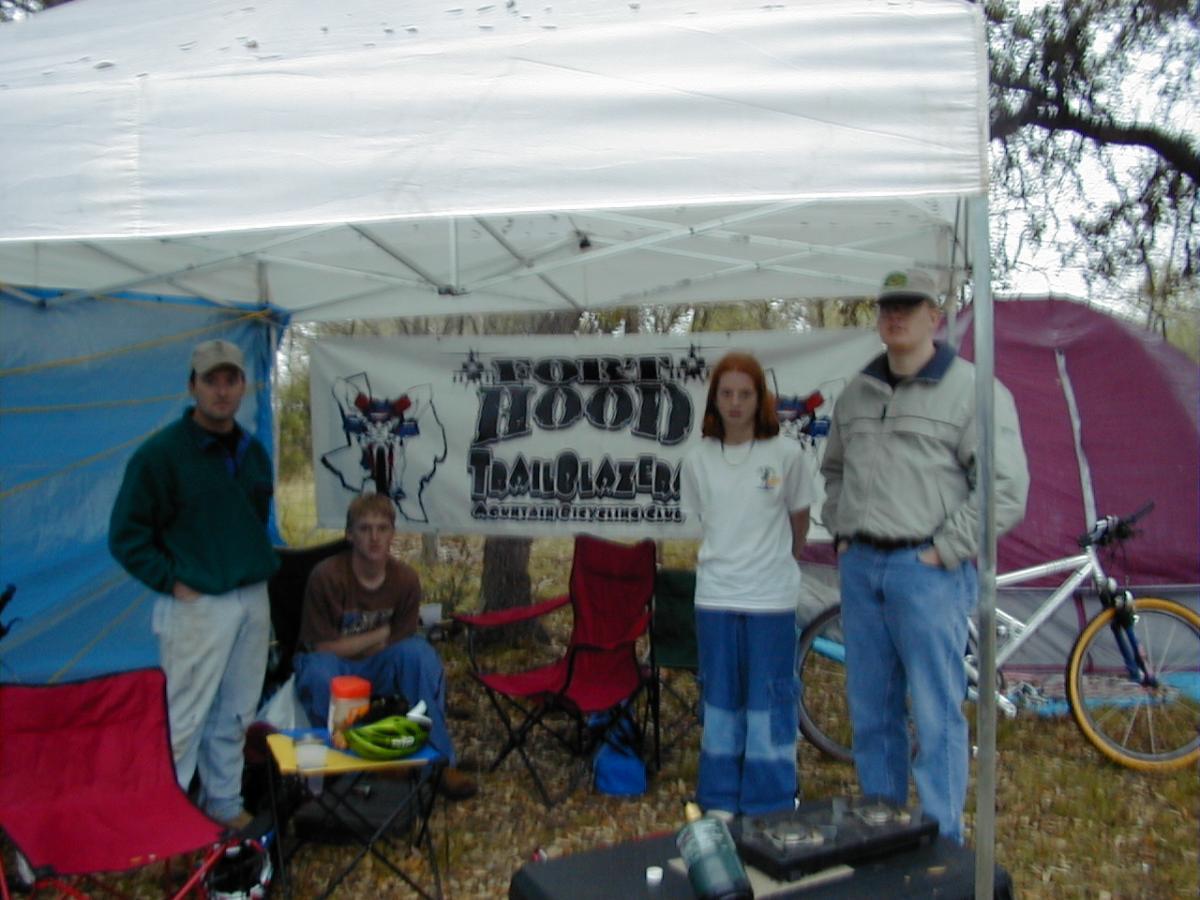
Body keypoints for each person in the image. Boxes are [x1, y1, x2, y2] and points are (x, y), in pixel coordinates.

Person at [821, 268, 1030, 844]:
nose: (896, 316)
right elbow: (834, 469)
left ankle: (942, 842)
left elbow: (1003, 489)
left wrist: (945, 551)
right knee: (871, 710)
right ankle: (882, 831)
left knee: (937, 712)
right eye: (887, 306)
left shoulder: (974, 390)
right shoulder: (857, 391)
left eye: (909, 307)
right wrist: (841, 530)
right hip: (862, 570)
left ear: (935, 317)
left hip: (927, 574)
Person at [109, 339, 279, 830]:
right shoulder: (160, 456)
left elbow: (254, 518)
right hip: (198, 601)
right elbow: (126, 535)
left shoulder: (252, 452)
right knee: (183, 718)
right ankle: (163, 822)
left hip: (250, 593)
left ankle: (222, 806)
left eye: (231, 380)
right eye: (211, 380)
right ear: (192, 386)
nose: (222, 391)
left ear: (243, 386)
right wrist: (169, 578)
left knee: (235, 712)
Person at [680, 351, 816, 817]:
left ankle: (771, 799)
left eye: (745, 394)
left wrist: (779, 563)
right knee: (720, 699)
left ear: (760, 399)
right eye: (727, 393)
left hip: (771, 601)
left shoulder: (786, 454)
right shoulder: (697, 459)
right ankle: (718, 798)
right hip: (715, 596)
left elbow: (800, 519)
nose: (735, 403)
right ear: (714, 400)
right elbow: (707, 521)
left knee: (770, 702)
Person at [293, 493, 478, 800]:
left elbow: (400, 643)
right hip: (332, 664)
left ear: (393, 534)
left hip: (377, 663)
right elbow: (320, 648)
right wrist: (374, 638)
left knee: (420, 658)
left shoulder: (405, 579)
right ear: (350, 535)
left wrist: (366, 644)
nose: (374, 538)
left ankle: (438, 762)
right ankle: (346, 772)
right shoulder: (326, 576)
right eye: (365, 529)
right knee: (321, 675)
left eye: (382, 528)